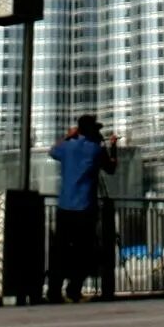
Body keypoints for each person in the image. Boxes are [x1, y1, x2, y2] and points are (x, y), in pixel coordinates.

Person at [46, 114, 117, 303]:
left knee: (60, 250)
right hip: (85, 207)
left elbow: (52, 151)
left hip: (64, 206)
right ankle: (73, 289)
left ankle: (53, 291)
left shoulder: (67, 147)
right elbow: (111, 169)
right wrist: (113, 147)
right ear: (93, 131)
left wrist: (69, 136)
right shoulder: (96, 150)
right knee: (83, 251)